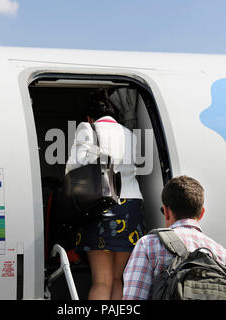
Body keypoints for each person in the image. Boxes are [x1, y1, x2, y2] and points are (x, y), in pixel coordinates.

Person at [65, 89, 145, 300]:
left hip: (101, 206)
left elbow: (75, 166)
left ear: (90, 117)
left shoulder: (87, 128)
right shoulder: (128, 134)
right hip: (131, 207)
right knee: (118, 279)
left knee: (102, 280)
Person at [122, 175, 226, 300]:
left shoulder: (149, 245)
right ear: (202, 213)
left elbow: (134, 298)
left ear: (166, 211)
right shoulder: (225, 257)